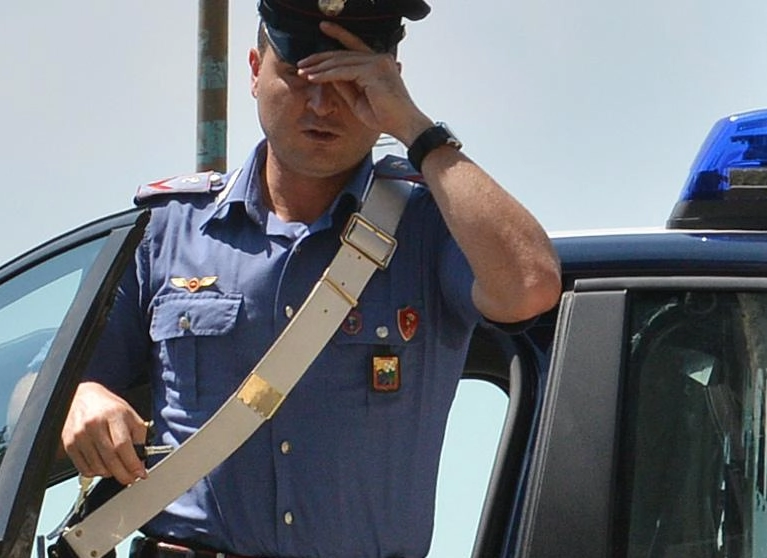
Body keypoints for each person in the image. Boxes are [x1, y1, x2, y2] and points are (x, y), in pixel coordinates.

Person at [62, 0, 562, 556]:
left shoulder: (432, 228)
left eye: (350, 83)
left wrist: (418, 131)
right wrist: (82, 397)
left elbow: (530, 286)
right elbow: (31, 396)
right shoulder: (169, 230)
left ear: (389, 84)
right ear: (255, 71)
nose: (323, 104)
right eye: (300, 76)